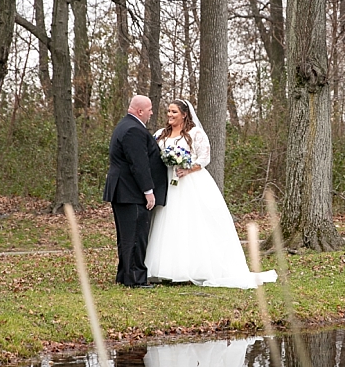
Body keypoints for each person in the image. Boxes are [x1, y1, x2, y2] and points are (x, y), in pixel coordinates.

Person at [144, 99, 276, 288]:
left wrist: (187, 168)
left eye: (174, 112)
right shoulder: (160, 134)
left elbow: (204, 157)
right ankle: (164, 270)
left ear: (184, 114)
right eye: (168, 112)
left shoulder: (195, 133)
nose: (170, 115)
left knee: (190, 223)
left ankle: (193, 269)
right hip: (167, 182)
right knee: (168, 223)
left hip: (190, 182)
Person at [103, 95, 168, 288]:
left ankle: (125, 275)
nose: (152, 112)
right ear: (140, 111)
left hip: (124, 191)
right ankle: (135, 278)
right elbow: (139, 164)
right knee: (135, 237)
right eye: (149, 109)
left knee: (127, 236)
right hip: (131, 192)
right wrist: (148, 191)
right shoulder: (133, 130)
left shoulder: (126, 125)